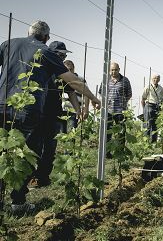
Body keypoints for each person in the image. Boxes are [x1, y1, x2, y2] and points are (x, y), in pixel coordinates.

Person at [0, 21, 100, 212]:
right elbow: (74, 83)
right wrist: (93, 98)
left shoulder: (8, 43)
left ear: (28, 33)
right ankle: (18, 202)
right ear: (46, 38)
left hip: (2, 104)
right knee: (27, 153)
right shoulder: (46, 52)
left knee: (2, 151)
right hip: (27, 109)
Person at [30, 41, 82, 188]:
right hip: (38, 115)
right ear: (52, 54)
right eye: (61, 54)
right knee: (35, 148)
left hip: (54, 116)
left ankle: (43, 177)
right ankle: (32, 177)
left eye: (64, 55)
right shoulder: (40, 70)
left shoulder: (62, 73)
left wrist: (78, 110)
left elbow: (71, 93)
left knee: (50, 148)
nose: (63, 57)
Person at [100, 62, 132, 149]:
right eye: (112, 70)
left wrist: (123, 102)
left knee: (121, 131)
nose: (114, 72)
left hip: (120, 110)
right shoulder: (105, 80)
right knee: (108, 131)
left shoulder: (125, 80)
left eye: (115, 70)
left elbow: (129, 94)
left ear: (119, 70)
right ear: (109, 70)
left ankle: (120, 150)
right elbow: (101, 93)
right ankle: (107, 151)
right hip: (108, 110)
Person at [61, 59, 90, 130]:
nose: (69, 71)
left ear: (73, 69)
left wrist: (86, 109)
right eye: (67, 70)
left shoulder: (80, 79)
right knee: (62, 134)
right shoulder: (61, 79)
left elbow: (86, 94)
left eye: (70, 69)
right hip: (62, 110)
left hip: (74, 111)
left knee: (71, 132)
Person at [141, 74, 163, 143]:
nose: (155, 80)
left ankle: (154, 142)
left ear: (159, 80)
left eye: (157, 78)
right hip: (149, 105)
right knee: (147, 125)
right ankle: (146, 142)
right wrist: (144, 109)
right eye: (154, 78)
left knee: (155, 125)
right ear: (151, 79)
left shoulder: (160, 88)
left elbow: (161, 99)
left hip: (157, 107)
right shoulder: (148, 87)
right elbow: (143, 99)